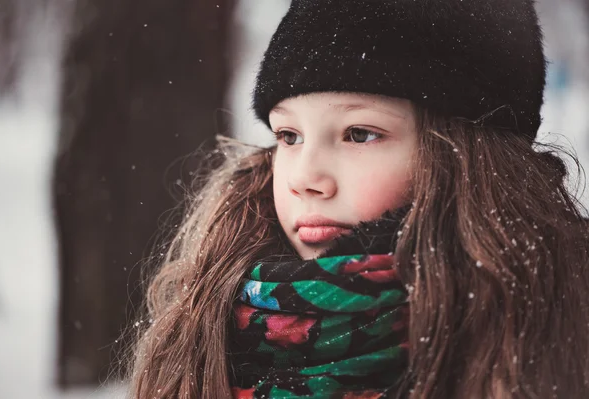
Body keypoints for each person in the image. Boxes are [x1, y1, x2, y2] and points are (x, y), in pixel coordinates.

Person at [127, 0, 589, 397]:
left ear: (468, 161)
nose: (306, 177)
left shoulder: (560, 348)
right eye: (288, 135)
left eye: (359, 133)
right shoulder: (204, 340)